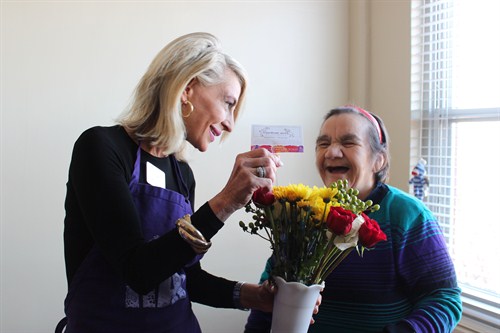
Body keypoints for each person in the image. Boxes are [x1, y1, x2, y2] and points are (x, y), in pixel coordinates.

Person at [56, 32, 285, 333]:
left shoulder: (182, 174)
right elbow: (138, 271)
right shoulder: (100, 148)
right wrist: (225, 201)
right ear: (188, 88)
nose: (230, 123)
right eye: (228, 103)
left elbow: (182, 277)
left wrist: (253, 296)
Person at [244, 105, 462, 332]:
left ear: (379, 160)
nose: (331, 152)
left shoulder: (407, 215)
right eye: (323, 144)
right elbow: (269, 294)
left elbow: (444, 299)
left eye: (348, 143)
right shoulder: (302, 212)